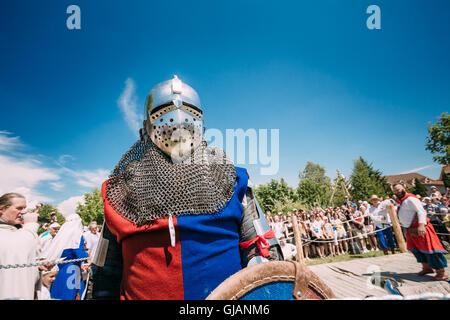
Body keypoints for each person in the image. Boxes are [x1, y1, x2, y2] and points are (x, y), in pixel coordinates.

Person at [90, 75, 282, 300]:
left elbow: (263, 253)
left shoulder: (232, 180)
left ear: (201, 124)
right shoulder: (121, 192)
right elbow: (103, 275)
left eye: (191, 113)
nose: (178, 120)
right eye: (163, 112)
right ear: (147, 126)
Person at [393, 183, 448, 280]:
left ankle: (441, 273)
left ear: (404, 188)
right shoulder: (402, 201)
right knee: (417, 250)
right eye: (395, 191)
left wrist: (421, 225)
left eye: (398, 189)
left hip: (420, 228)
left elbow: (421, 211)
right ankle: (427, 268)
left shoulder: (411, 199)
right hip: (411, 230)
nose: (397, 192)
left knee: (431, 250)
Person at [0, 193, 40, 300]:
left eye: (24, 208)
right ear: (2, 209)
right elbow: (17, 248)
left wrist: (38, 265)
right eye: (19, 208)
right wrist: (30, 226)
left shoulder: (18, 231)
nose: (24, 212)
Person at [41, 210, 89, 300]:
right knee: (72, 293)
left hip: (61, 268)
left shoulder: (62, 235)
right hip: (73, 269)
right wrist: (87, 254)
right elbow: (79, 255)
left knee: (59, 292)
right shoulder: (77, 235)